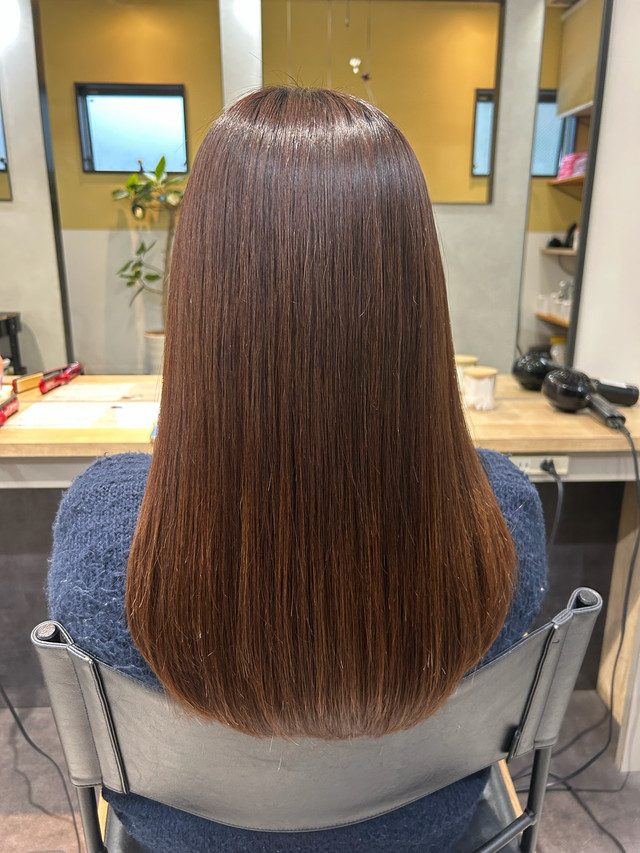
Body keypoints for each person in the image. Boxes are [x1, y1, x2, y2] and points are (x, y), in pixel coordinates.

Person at [48, 87, 547, 852]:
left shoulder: (103, 539)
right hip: (424, 836)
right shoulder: (504, 521)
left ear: (201, 295)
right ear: (416, 295)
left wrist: (190, 441)